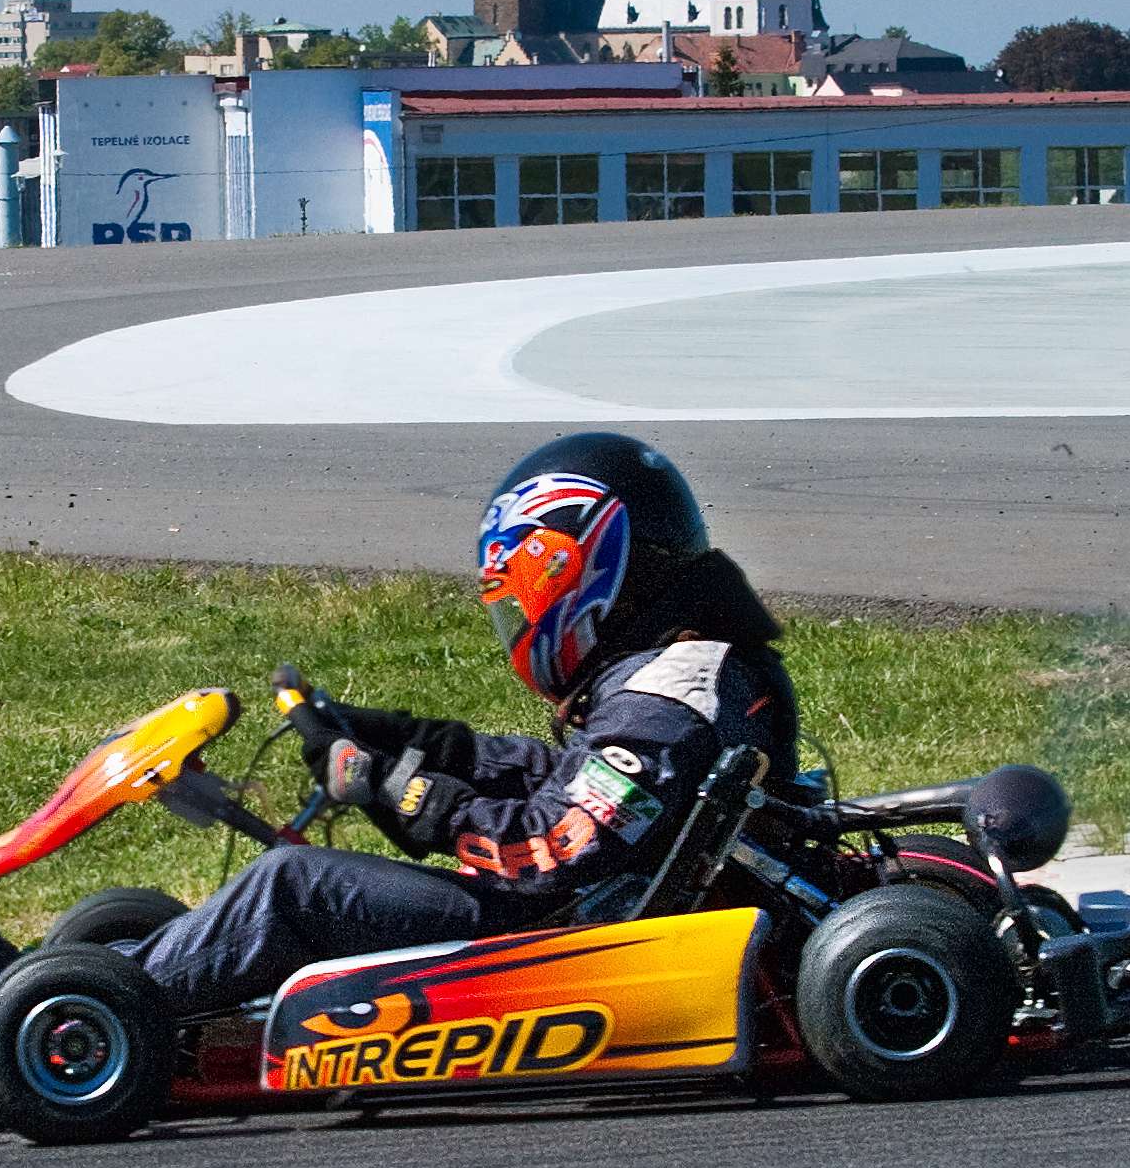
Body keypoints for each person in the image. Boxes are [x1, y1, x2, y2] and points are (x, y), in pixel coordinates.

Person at [119, 432, 799, 1017]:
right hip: (574, 910)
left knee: (293, 886)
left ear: (575, 571)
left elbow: (550, 847)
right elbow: (559, 781)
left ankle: (91, 1013)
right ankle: (102, 975)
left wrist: (394, 787)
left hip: (563, 936)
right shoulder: (669, 673)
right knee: (284, 885)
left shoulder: (666, 698)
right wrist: (409, 742)